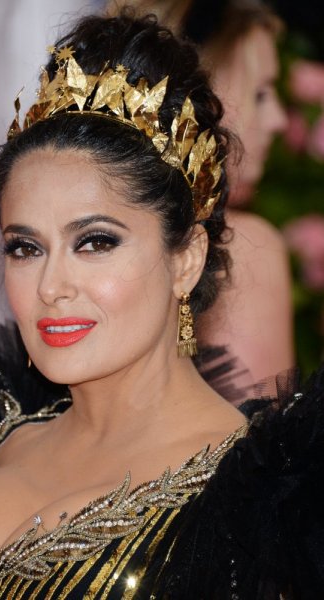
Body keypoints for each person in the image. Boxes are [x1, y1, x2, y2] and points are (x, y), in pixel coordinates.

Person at [0, 11, 323, 599]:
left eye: (95, 242)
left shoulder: (265, 515)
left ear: (186, 259)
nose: (51, 286)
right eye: (25, 248)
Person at [106, 0, 294, 395]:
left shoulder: (91, 228)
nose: (278, 119)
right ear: (198, 96)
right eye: (260, 93)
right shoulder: (244, 244)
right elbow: (256, 426)